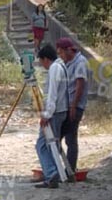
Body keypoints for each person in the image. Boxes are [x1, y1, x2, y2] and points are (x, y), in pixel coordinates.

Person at [34, 44, 69, 189]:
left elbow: (52, 94)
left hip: (55, 113)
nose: (42, 66)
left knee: (43, 145)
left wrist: (46, 115)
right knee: (48, 145)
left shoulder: (55, 68)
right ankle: (54, 173)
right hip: (59, 111)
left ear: (46, 59)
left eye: (41, 62)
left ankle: (52, 173)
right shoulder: (61, 66)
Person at [56, 37, 89, 172]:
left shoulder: (80, 62)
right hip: (67, 106)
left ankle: (69, 169)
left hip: (74, 107)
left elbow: (79, 85)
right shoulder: (67, 63)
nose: (61, 56)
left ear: (69, 50)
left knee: (69, 139)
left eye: (62, 53)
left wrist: (73, 106)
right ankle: (66, 168)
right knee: (59, 137)